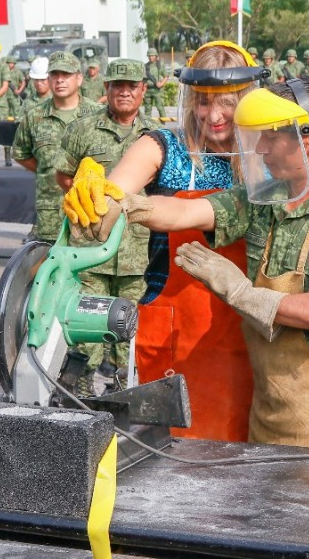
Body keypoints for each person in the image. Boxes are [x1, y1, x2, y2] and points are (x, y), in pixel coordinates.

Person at [69, 78, 309, 450]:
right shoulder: (268, 199)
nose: (262, 150)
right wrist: (125, 204)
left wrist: (240, 291)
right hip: (267, 413)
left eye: (271, 138)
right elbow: (188, 211)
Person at [61, 41, 262, 443]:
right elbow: (117, 193)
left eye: (226, 103)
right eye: (203, 103)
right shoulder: (164, 147)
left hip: (250, 327)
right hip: (173, 335)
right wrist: (97, 189)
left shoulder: (267, 151)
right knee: (168, 455)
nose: (214, 116)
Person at [57, 59, 158, 394]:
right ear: (106, 90)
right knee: (85, 323)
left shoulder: (157, 137)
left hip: (137, 249)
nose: (124, 92)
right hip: (89, 249)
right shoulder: (82, 129)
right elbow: (64, 175)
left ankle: (120, 395)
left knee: (128, 327)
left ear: (143, 90)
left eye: (132, 86)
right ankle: (76, 395)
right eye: (117, 85)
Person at [12, 51, 100, 241]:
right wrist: (48, 169)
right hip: (51, 208)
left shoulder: (99, 115)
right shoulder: (34, 116)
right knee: (49, 261)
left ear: (79, 78)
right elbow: (20, 153)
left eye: (66, 75)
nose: (60, 80)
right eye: (54, 75)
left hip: (91, 207)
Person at [143, 47, 168, 118]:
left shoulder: (159, 65)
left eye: (152, 55)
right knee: (147, 110)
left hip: (157, 91)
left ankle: (163, 126)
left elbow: (166, 76)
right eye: (149, 56)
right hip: (148, 91)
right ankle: (147, 126)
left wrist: (161, 84)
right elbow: (143, 79)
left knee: (160, 108)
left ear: (156, 56)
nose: (151, 57)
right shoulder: (146, 66)